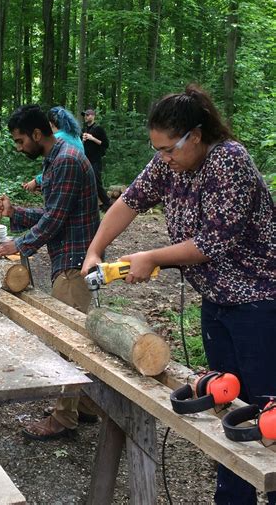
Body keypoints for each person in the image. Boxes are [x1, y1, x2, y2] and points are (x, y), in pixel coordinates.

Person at [81, 84, 275, 505]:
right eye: (159, 150)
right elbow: (129, 202)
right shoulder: (167, 163)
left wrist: (152, 256)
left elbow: (212, 242)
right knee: (226, 401)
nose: (164, 158)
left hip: (260, 305)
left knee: (266, 413)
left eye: (170, 149)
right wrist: (96, 249)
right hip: (217, 302)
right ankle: (233, 497)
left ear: (197, 136)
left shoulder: (229, 161)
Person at [0, 105, 100, 440]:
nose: (19, 146)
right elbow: (54, 212)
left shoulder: (67, 160)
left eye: (21, 140)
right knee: (76, 336)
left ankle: (64, 419)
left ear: (38, 134)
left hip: (74, 262)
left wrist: (19, 245)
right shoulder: (56, 159)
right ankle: (82, 405)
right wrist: (16, 212)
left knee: (65, 342)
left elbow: (53, 223)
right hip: (68, 257)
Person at [22, 106, 84, 192]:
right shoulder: (75, 136)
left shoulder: (57, 138)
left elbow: (52, 169)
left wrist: (36, 181)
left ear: (50, 124)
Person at [81, 108, 112, 212]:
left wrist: (92, 138)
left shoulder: (98, 129)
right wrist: (83, 139)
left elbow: (106, 144)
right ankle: (92, 205)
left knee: (96, 182)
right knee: (86, 183)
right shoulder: (84, 129)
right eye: (85, 115)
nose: (85, 117)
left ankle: (107, 203)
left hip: (95, 160)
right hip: (85, 160)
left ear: (93, 116)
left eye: (87, 115)